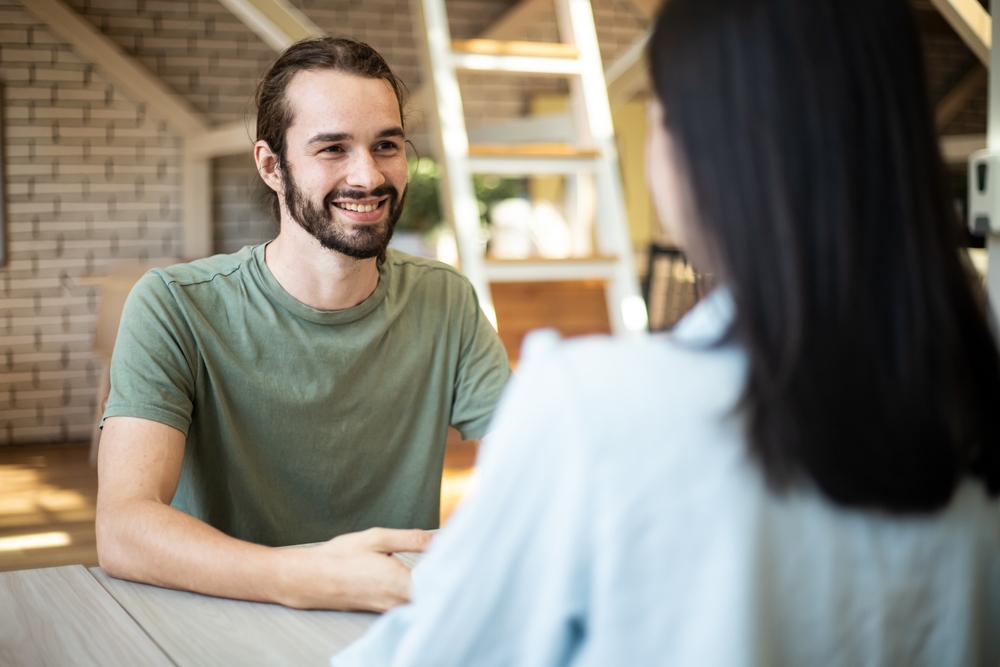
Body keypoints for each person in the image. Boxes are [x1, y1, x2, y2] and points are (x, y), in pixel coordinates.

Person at [332, 0, 1000, 663]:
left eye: (654, 111)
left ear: (698, 144)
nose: (366, 173)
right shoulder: (972, 409)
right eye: (334, 147)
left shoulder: (589, 405)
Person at [94, 38, 510, 612]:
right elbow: (123, 528)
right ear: (272, 166)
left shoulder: (446, 300)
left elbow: (530, 457)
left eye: (385, 145)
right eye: (333, 148)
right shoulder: (173, 306)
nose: (368, 175)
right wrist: (296, 577)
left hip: (388, 622)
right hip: (224, 617)